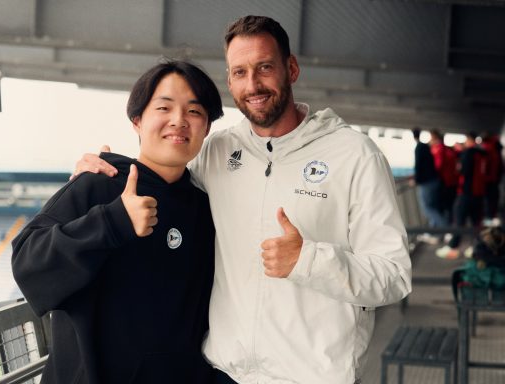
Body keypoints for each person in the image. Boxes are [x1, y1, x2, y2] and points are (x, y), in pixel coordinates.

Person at [73, 15, 412, 384]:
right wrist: (106, 170)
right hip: (224, 374)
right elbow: (163, 171)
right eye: (239, 72)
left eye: (264, 68)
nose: (253, 84)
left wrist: (308, 260)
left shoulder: (355, 155)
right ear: (230, 81)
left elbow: (393, 276)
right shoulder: (219, 151)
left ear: (292, 68)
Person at [11, 60, 223, 384]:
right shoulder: (100, 182)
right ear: (137, 121)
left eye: (194, 112)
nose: (179, 121)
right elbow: (27, 261)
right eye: (164, 108)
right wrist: (113, 221)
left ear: (207, 128)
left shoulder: (206, 208)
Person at [437, 132, 488, 259]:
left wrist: (458, 166)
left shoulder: (468, 153)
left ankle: (453, 248)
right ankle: (476, 247)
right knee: (476, 222)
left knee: (459, 219)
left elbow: (463, 171)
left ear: (469, 140)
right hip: (479, 193)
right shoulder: (481, 154)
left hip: (466, 192)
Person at [412, 127, 445, 231]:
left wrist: (416, 180)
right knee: (433, 207)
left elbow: (418, 165)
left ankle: (446, 229)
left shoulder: (419, 147)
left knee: (428, 208)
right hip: (435, 180)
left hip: (427, 182)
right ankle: (435, 232)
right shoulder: (426, 147)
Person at [429, 129, 458, 226]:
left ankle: (445, 228)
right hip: (451, 182)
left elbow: (438, 166)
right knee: (448, 206)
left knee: (439, 207)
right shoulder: (448, 150)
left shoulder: (438, 149)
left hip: (443, 182)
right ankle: (446, 227)